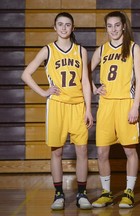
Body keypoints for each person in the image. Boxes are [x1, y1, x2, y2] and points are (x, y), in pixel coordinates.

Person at [21, 12, 94, 210]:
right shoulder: (48, 51)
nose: (63, 28)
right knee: (57, 151)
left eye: (67, 24)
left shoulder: (81, 51)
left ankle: (82, 193)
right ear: (54, 28)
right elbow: (26, 74)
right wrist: (44, 92)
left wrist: (88, 109)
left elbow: (86, 82)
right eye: (60, 25)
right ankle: (59, 194)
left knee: (82, 150)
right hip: (57, 106)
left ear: (73, 28)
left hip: (78, 105)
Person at [90, 11, 140, 209]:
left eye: (116, 25)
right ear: (106, 28)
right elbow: (84, 70)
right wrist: (95, 88)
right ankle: (106, 193)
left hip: (126, 103)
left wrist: (135, 106)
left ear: (123, 26)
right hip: (106, 105)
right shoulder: (102, 49)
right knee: (102, 152)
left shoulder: (133, 48)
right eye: (109, 26)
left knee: (130, 149)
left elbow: (139, 81)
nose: (113, 29)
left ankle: (129, 192)